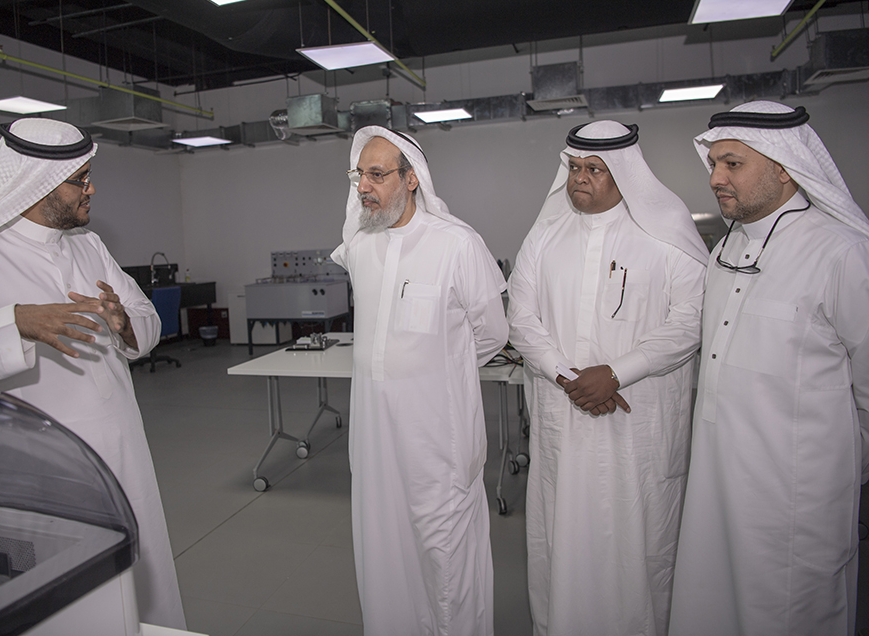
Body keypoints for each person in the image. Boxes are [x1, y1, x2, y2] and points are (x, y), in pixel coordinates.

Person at [0, 118, 186, 630]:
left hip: (122, 451)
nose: (91, 189)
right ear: (38, 184)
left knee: (137, 583)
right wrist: (14, 324)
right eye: (80, 180)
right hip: (38, 469)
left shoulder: (89, 247)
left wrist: (123, 322)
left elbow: (147, 319)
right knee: (65, 599)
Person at [668, 102, 869, 636]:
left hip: (796, 495)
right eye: (714, 164)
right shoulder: (725, 251)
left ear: (784, 166)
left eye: (732, 164)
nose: (715, 178)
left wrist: (839, 470)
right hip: (715, 482)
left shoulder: (843, 253)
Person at [507, 121, 709, 636]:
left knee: (636, 546)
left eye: (594, 169)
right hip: (563, 420)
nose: (580, 178)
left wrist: (617, 373)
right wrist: (568, 377)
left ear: (624, 173)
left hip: (636, 430)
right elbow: (521, 318)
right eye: (574, 167)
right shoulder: (545, 235)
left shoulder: (666, 234)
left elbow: (691, 320)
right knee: (561, 537)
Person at [330, 126, 508, 636]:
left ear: (412, 179)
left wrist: (438, 371)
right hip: (374, 443)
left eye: (377, 174)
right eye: (359, 176)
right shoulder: (359, 246)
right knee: (384, 552)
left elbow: (492, 334)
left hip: (437, 443)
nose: (365, 187)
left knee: (445, 560)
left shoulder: (456, 244)